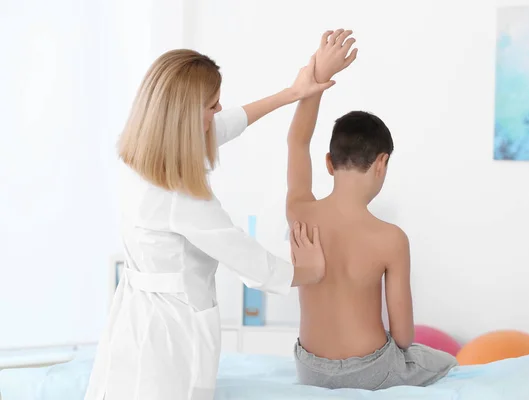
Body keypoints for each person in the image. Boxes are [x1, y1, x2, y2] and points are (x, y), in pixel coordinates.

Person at [84, 48, 332, 400]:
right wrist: (310, 272)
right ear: (185, 116)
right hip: (171, 333)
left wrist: (293, 93)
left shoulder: (142, 154)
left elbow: (225, 123)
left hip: (137, 319)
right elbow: (249, 262)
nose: (218, 112)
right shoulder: (179, 195)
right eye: (212, 105)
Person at [286, 29, 458, 390]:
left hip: (310, 369)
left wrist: (317, 76)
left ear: (330, 162)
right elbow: (403, 336)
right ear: (382, 163)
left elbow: (297, 140)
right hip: (370, 371)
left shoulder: (301, 212)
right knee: (444, 361)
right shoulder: (391, 238)